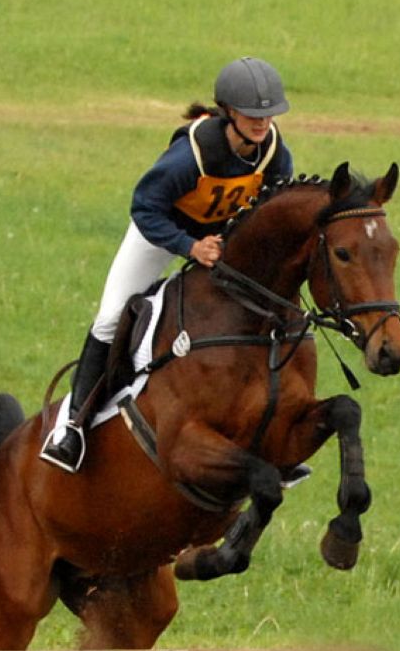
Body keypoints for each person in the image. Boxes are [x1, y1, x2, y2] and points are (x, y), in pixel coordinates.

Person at [42, 56, 294, 472]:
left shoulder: (271, 150)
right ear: (228, 112)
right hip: (161, 233)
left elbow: (274, 201)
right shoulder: (190, 156)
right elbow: (145, 207)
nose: (262, 123)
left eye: (269, 114)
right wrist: (189, 247)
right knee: (109, 319)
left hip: (219, 238)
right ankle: (71, 427)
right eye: (253, 114)